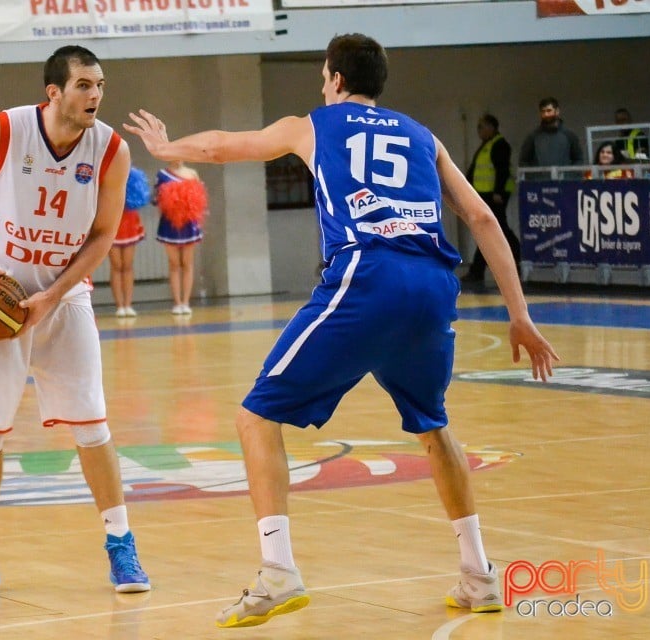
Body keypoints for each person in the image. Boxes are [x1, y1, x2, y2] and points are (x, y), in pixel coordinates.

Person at [125, 32, 559, 628]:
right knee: (434, 427)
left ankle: (278, 570)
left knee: (255, 418)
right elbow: (482, 217)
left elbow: (229, 146)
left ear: (332, 77)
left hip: (366, 275)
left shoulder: (315, 124)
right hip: (433, 286)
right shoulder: (423, 135)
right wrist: (520, 314)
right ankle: (479, 573)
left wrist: (169, 144)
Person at [0, 44, 151, 600]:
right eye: (83, 85)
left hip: (64, 296)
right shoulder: (7, 130)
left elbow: (103, 234)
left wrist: (55, 294)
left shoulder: (111, 150)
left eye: (99, 84)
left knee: (92, 426)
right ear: (53, 92)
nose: (95, 95)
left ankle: (121, 545)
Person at [461, 114, 520, 285]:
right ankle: (514, 259)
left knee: (492, 231)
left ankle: (478, 270)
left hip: (494, 196)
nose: (479, 131)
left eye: (481, 127)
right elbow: (474, 170)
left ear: (491, 127)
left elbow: (502, 170)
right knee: (496, 230)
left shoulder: (499, 145)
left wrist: (498, 192)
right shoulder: (486, 146)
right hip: (484, 195)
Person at [155, 160, 205, 315]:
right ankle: (177, 303)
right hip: (169, 223)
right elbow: (159, 202)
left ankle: (186, 302)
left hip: (189, 223)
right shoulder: (162, 174)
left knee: (187, 263)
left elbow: (199, 201)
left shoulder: (192, 174)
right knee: (174, 264)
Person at [109, 169, 149, 318]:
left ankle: (128, 304)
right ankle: (119, 305)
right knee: (116, 265)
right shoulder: (107, 172)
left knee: (127, 264)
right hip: (112, 219)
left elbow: (141, 196)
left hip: (130, 220)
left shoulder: (134, 174)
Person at [519, 97, 583, 168]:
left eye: (549, 111)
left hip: (564, 179)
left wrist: (570, 175)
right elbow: (523, 162)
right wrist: (533, 177)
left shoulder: (569, 135)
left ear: (557, 111)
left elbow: (578, 160)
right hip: (539, 179)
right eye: (543, 111)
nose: (546, 114)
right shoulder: (532, 137)